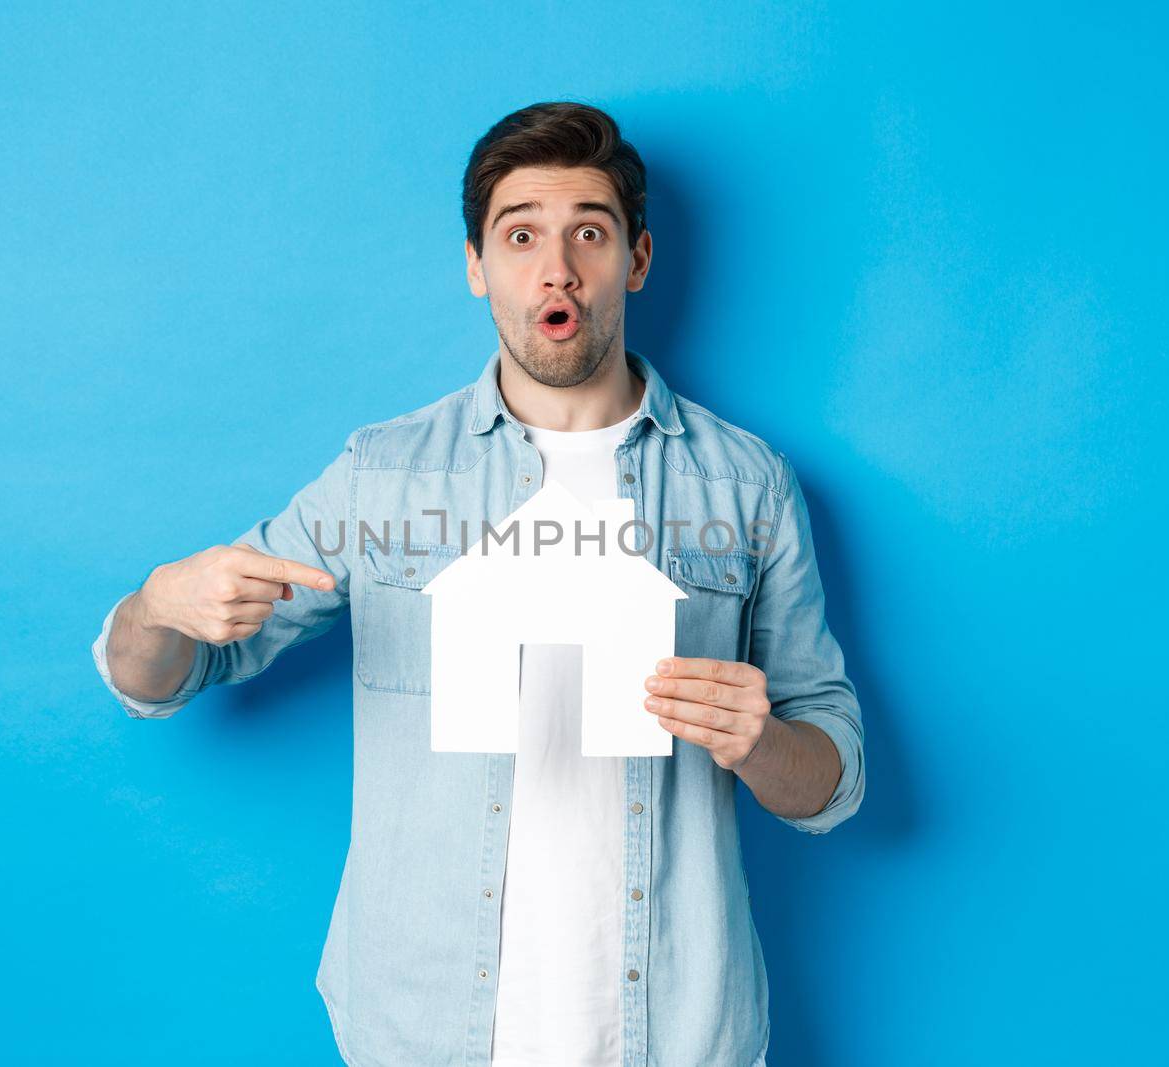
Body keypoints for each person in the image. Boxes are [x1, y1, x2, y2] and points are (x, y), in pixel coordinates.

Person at [91, 100, 864, 1067]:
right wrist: (159, 605)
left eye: (590, 231)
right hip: (424, 1029)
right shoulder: (383, 476)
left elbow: (831, 778)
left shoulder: (747, 485)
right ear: (476, 266)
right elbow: (155, 676)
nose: (557, 265)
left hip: (674, 1031)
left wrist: (762, 743)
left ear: (638, 259)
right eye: (521, 234)